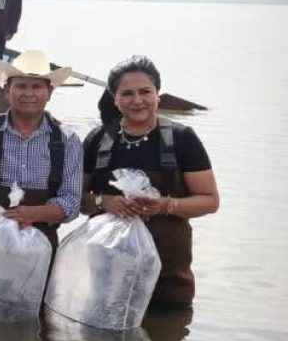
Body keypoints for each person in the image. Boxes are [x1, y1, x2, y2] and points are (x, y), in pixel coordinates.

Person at [81, 56, 219, 308]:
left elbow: (210, 201)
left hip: (168, 275)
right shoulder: (97, 139)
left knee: (166, 337)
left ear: (158, 94)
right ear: (115, 98)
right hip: (108, 269)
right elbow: (73, 199)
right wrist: (104, 201)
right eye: (127, 93)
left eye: (145, 92)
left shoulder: (182, 138)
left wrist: (165, 205)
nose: (137, 101)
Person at [0, 50, 82, 248]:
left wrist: (33, 214)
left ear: (49, 93)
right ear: (6, 91)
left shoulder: (68, 141)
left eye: (36, 86)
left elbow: (71, 202)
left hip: (40, 246)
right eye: (20, 86)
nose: (28, 93)